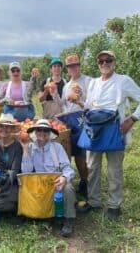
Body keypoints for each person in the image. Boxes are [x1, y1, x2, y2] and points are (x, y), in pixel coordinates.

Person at [77, 50, 140, 220]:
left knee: (114, 169)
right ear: (98, 64)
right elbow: (89, 105)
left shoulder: (123, 81)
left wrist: (133, 118)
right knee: (92, 167)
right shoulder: (93, 83)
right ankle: (94, 201)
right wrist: (78, 101)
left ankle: (114, 205)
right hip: (95, 129)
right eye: (101, 61)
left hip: (114, 129)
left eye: (108, 60)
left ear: (114, 62)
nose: (104, 63)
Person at [21, 119, 76, 237]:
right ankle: (35, 214)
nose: (42, 132)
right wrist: (25, 150)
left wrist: (64, 178)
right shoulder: (30, 147)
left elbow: (68, 169)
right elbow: (26, 171)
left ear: (49, 133)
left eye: (45, 130)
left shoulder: (57, 147)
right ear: (35, 133)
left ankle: (68, 219)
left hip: (55, 184)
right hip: (39, 185)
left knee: (68, 188)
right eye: (39, 130)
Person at [60, 54, 91, 199]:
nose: (73, 68)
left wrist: (79, 100)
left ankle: (86, 182)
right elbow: (64, 105)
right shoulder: (66, 86)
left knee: (81, 155)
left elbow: (92, 103)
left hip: (82, 119)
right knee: (68, 153)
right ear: (67, 68)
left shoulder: (88, 81)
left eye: (75, 65)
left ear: (79, 65)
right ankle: (71, 182)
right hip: (69, 121)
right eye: (70, 66)